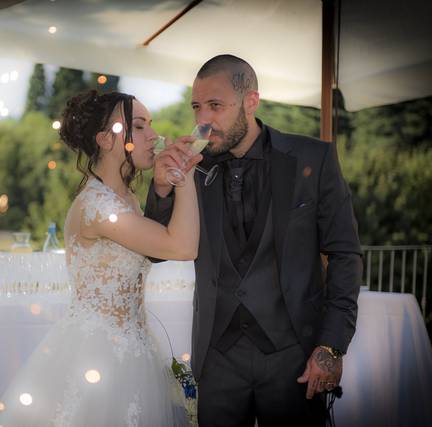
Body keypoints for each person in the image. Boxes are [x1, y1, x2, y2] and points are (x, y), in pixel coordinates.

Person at [145, 54, 363, 426]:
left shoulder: (314, 157)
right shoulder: (193, 167)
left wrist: (330, 347)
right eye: (197, 107)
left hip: (293, 353)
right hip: (217, 357)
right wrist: (162, 187)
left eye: (215, 106)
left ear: (250, 101)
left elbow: (345, 254)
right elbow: (155, 251)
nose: (203, 120)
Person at [0, 90, 201, 426]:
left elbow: (155, 241)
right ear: (105, 140)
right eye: (140, 127)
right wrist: (184, 175)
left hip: (133, 348)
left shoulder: (124, 198)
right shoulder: (98, 208)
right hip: (98, 357)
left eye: (151, 126)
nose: (154, 136)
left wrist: (162, 187)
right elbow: (182, 247)